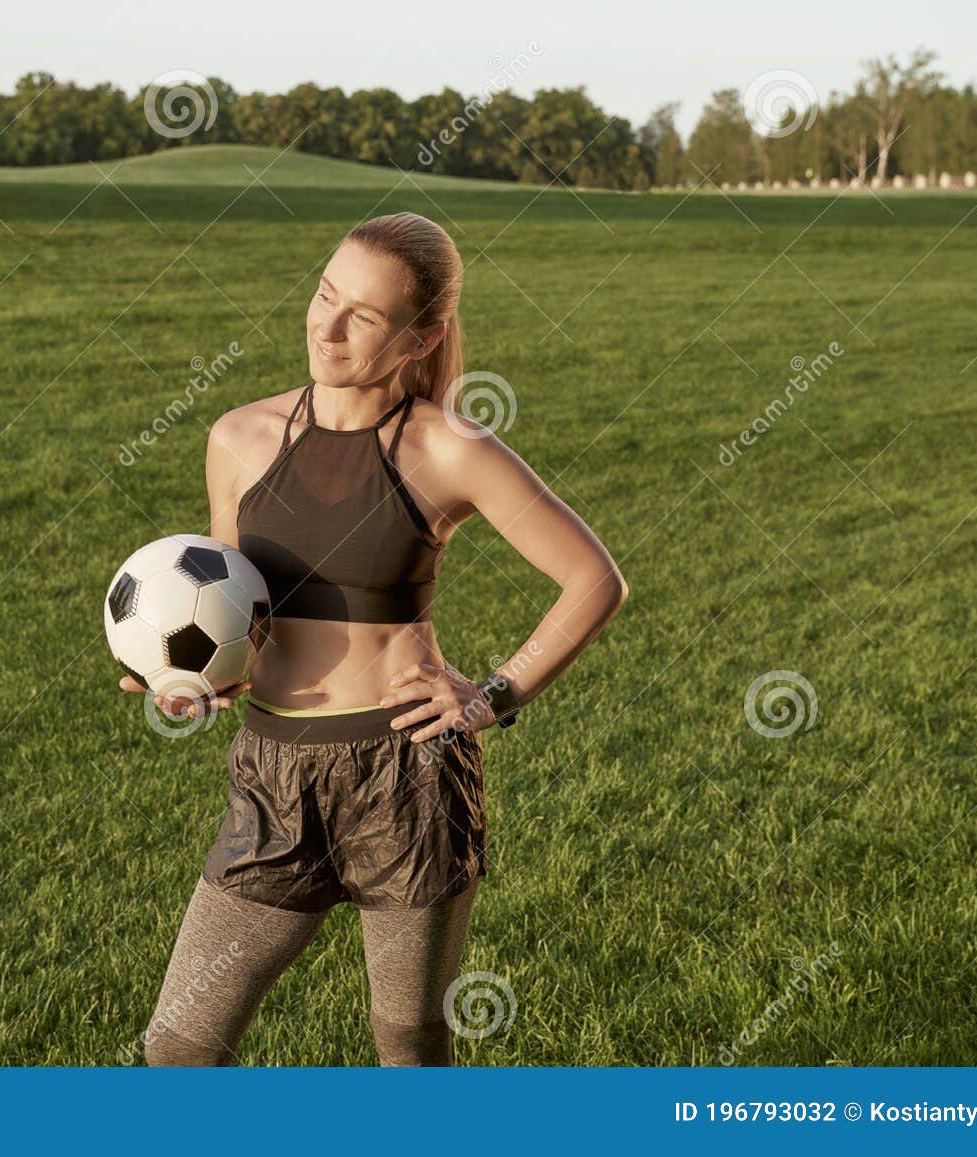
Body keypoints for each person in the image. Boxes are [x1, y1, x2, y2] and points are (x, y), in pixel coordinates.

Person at [121, 211, 628, 1065]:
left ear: (420, 337)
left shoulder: (450, 449)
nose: (328, 325)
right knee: (180, 1044)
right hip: (275, 778)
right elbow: (236, 610)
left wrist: (494, 693)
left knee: (408, 1047)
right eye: (324, 295)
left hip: (406, 776)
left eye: (363, 314)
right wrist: (201, 681)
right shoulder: (238, 438)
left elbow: (594, 580)